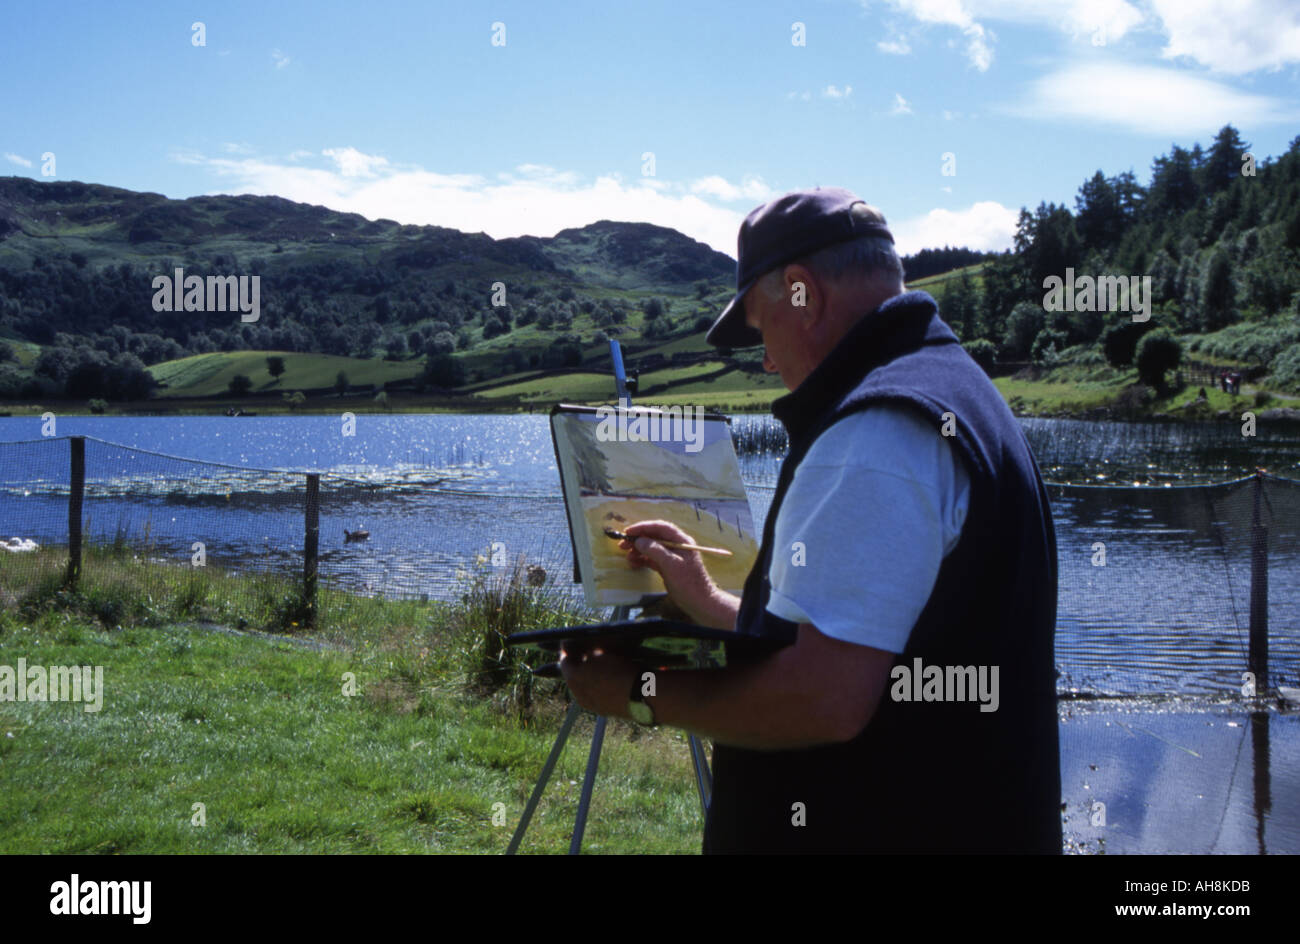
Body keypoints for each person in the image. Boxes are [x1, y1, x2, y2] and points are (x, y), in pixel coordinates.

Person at [559, 187, 1061, 853]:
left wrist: (637, 693)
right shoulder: (955, 391)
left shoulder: (875, 434)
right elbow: (854, 636)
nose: (766, 360)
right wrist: (707, 599)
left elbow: (823, 697)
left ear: (802, 292)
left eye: (762, 327)